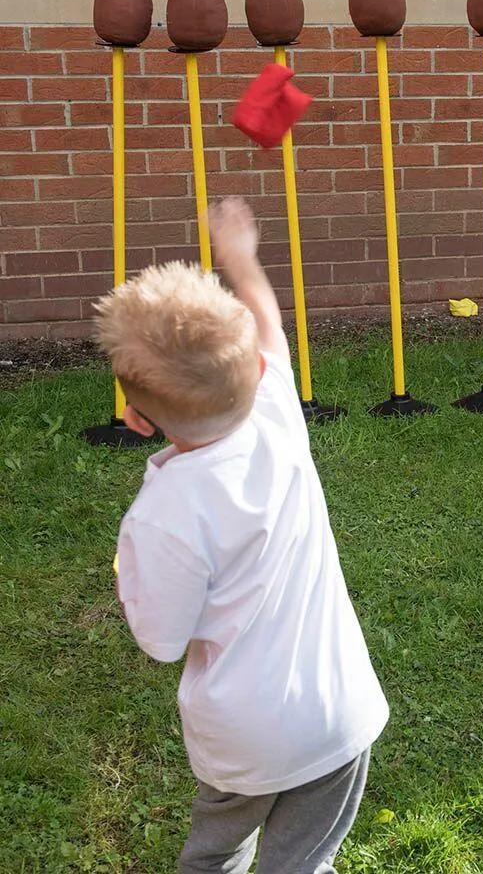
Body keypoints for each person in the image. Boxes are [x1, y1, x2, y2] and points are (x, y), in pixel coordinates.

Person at [96, 197, 388, 874]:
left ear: (137, 417)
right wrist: (239, 257)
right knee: (303, 864)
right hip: (336, 717)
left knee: (216, 853)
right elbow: (267, 322)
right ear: (258, 371)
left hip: (241, 739)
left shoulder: (161, 515)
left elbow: (161, 640)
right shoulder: (277, 415)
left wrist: (127, 574)